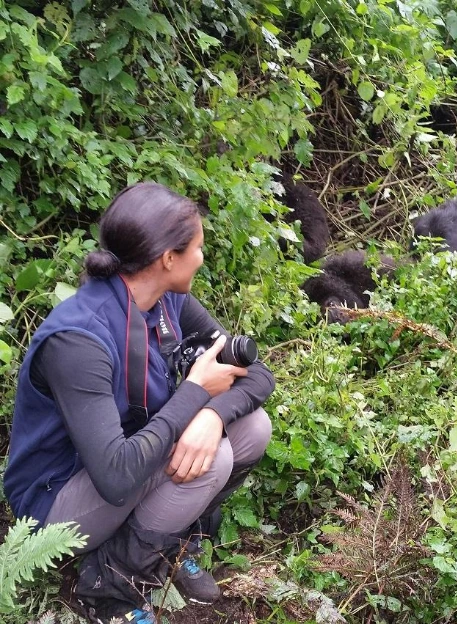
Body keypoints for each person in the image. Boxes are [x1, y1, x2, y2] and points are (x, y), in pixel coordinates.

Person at [3, 182, 275, 624]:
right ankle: (107, 585)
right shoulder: (78, 340)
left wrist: (210, 412)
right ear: (169, 258)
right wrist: (196, 392)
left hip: (128, 454)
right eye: (199, 248)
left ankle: (168, 541)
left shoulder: (167, 299)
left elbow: (257, 373)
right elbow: (114, 476)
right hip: (53, 502)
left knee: (251, 429)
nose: (202, 259)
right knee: (212, 457)